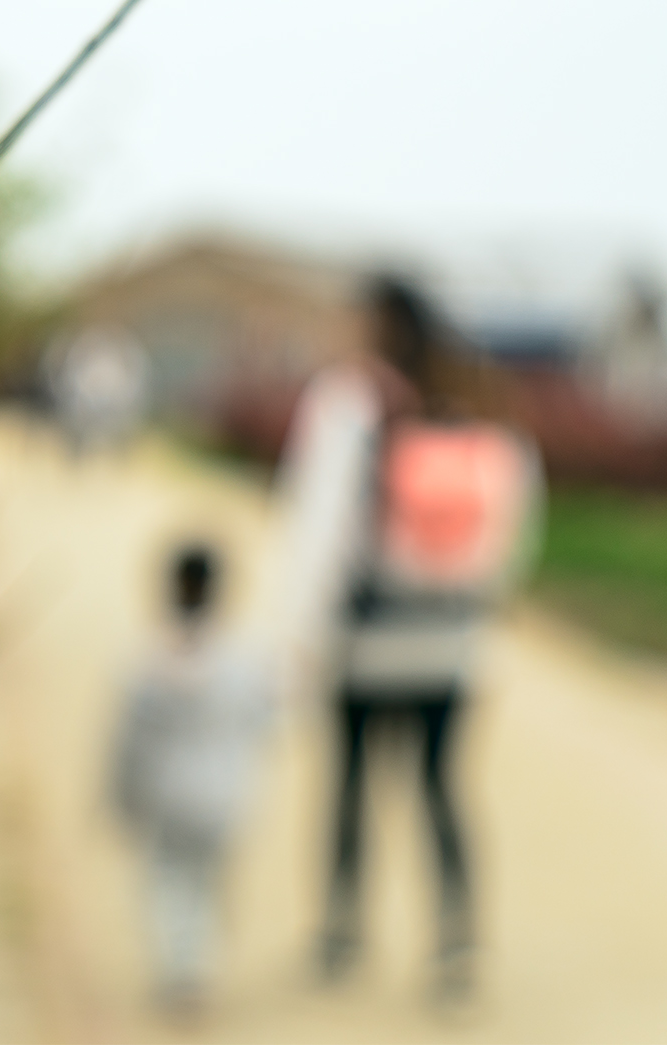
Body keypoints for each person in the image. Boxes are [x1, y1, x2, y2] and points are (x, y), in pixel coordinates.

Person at [271, 275, 543, 999]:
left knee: (352, 786)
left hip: (367, 638)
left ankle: (341, 931)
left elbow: (318, 530)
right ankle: (456, 941)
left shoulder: (351, 402)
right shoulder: (476, 402)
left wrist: (299, 637)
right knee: (440, 790)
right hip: (450, 643)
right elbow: (514, 527)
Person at [113, 544, 276, 1014]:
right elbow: (266, 720)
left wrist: (122, 798)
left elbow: (129, 742)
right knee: (209, 883)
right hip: (227, 797)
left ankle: (179, 970)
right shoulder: (244, 658)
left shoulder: (149, 661)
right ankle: (198, 967)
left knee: (169, 882)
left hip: (168, 797)